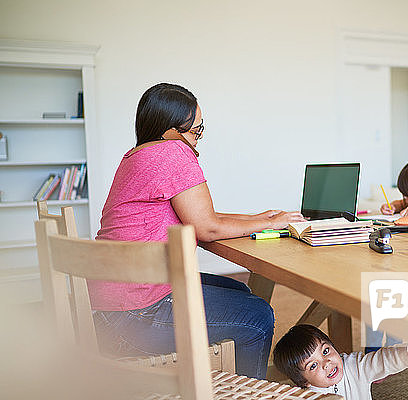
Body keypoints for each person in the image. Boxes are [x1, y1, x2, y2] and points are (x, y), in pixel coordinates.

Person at [89, 82, 305, 379]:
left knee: (240, 290)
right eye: (195, 130)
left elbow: (198, 216)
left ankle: (221, 373)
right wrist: (269, 223)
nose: (198, 138)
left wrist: (256, 217)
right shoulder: (173, 152)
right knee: (257, 316)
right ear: (170, 131)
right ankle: (242, 391)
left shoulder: (136, 155)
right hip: (135, 315)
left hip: (110, 308)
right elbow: (207, 228)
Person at [273, 325, 408, 400]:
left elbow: (382, 361)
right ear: (303, 382)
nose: (327, 363)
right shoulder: (303, 395)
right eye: (313, 366)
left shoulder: (353, 367)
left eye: (326, 351)